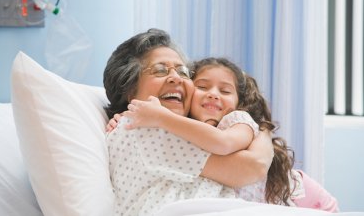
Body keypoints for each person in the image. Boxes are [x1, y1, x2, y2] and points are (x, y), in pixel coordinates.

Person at [117, 57, 339, 212]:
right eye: (203, 87)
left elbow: (222, 144)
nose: (213, 95)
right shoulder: (184, 130)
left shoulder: (238, 121)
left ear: (238, 102)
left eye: (224, 91)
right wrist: (122, 117)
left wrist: (161, 117)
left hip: (300, 196)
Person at [103, 29, 274, 216]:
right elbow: (250, 168)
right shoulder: (141, 129)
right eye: (160, 70)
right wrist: (263, 130)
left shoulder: (182, 129)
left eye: (183, 72)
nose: (176, 78)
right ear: (130, 89)